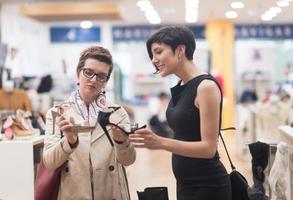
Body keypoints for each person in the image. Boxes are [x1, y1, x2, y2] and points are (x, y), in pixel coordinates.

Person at [130, 26, 231, 200]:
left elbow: (208, 148)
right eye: (152, 55)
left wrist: (160, 142)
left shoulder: (205, 87)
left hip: (208, 185)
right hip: (185, 183)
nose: (154, 60)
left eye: (158, 52)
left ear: (180, 50)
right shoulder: (182, 85)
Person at [43, 46, 136, 199]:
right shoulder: (57, 113)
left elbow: (128, 160)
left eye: (101, 76)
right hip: (73, 193)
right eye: (88, 72)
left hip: (111, 192)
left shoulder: (117, 113)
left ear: (106, 81)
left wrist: (121, 141)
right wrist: (69, 142)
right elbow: (50, 163)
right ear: (78, 72)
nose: (93, 80)